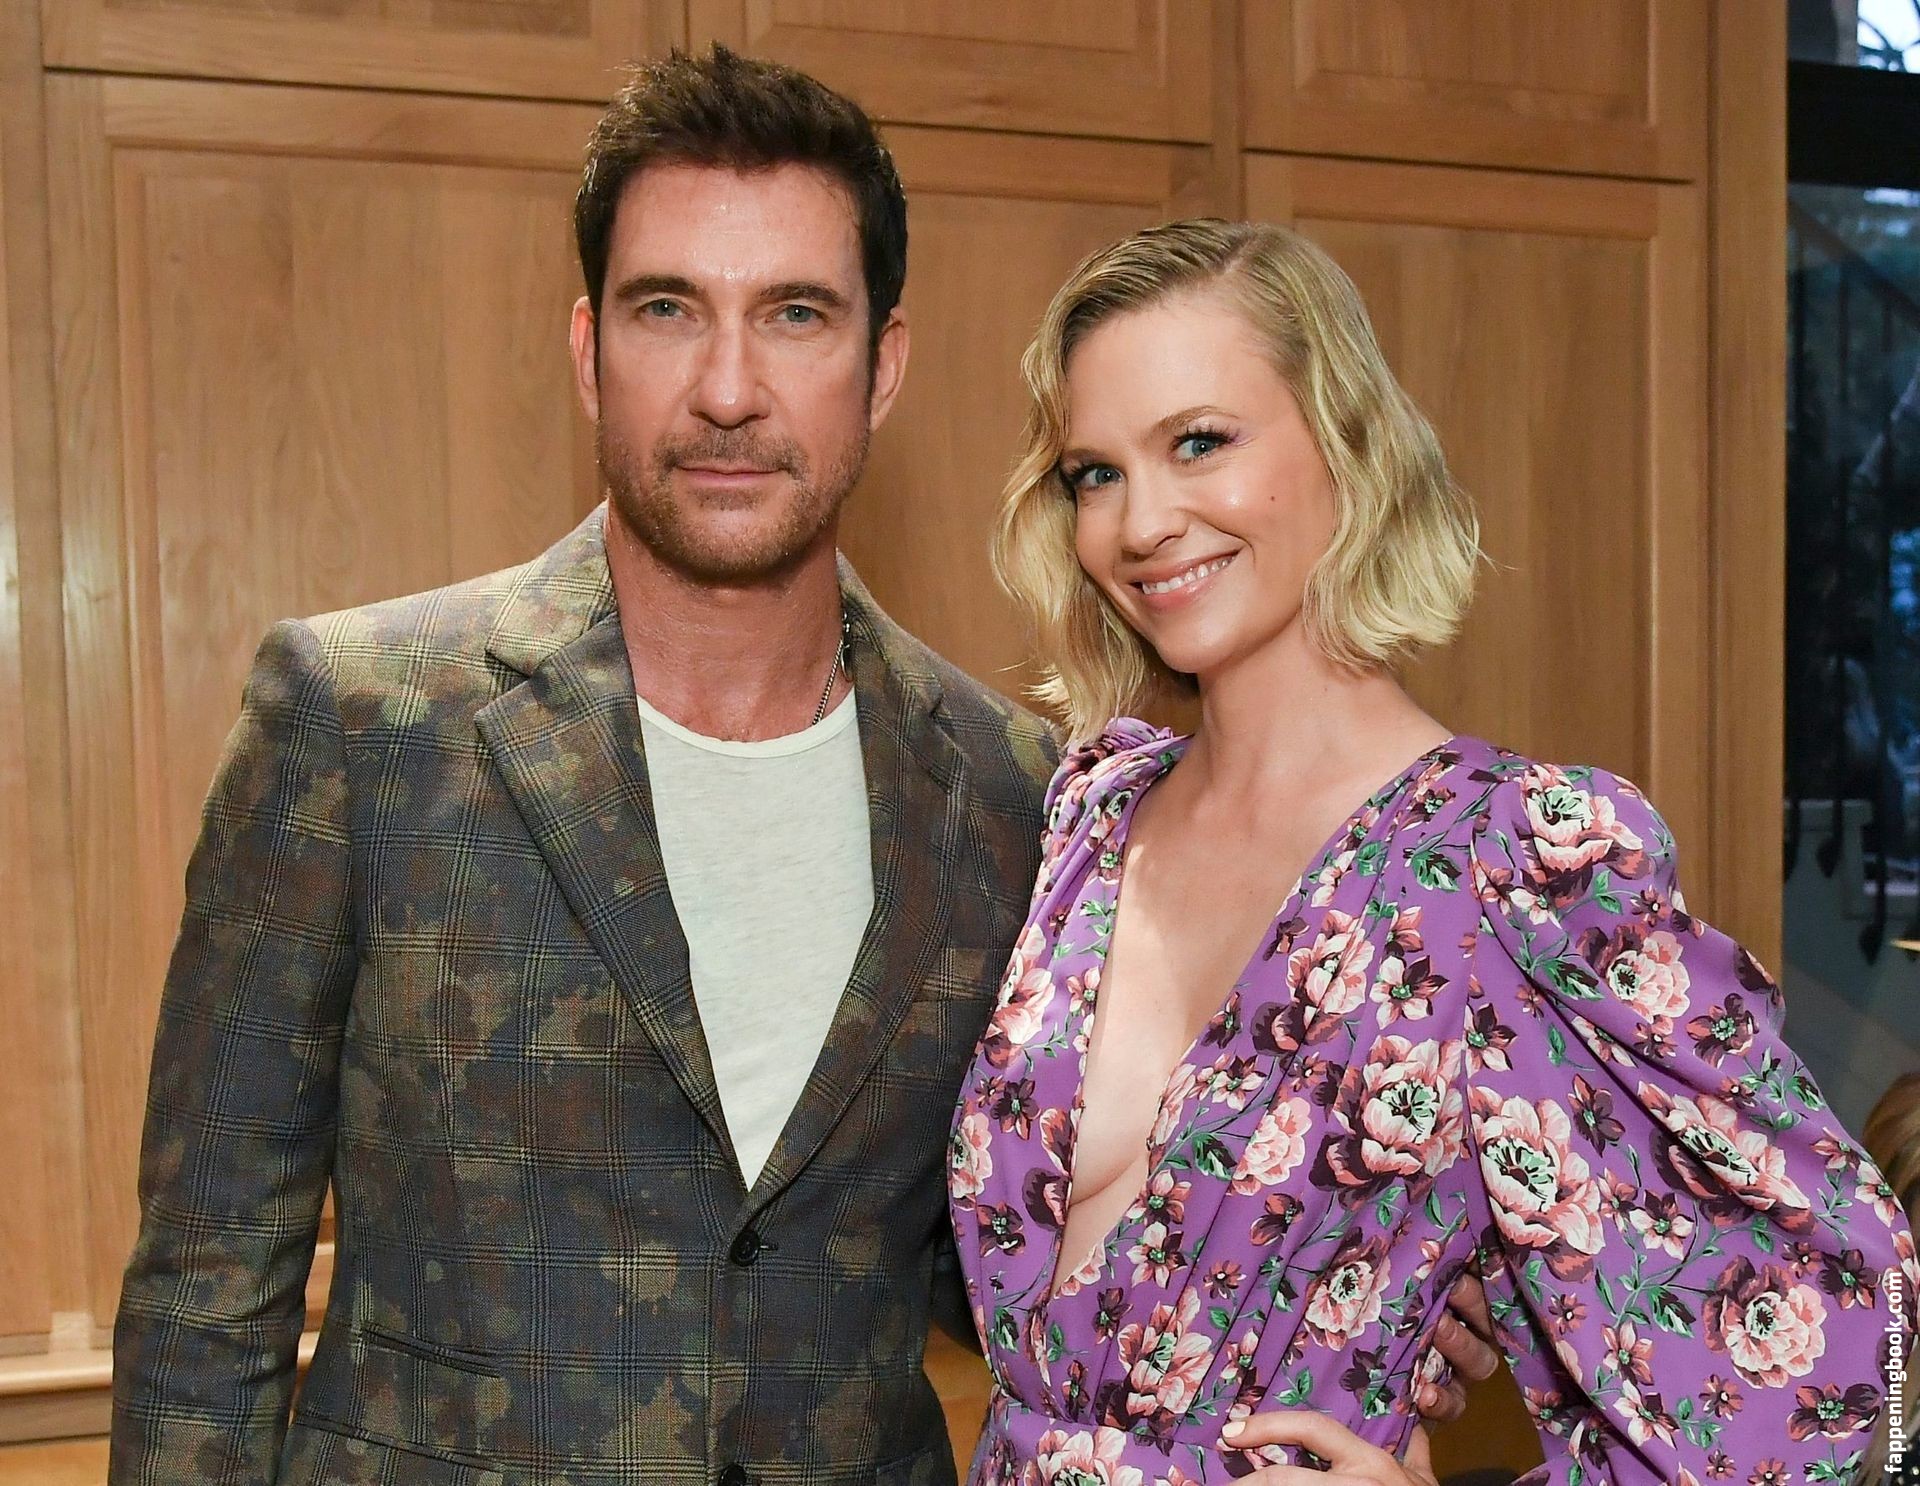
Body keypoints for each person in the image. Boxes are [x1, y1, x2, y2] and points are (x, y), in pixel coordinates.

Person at [108, 51, 1493, 1486]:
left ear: (881, 367)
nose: (728, 389)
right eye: (667, 309)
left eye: (794, 314)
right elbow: (207, 1294)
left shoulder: (1017, 793)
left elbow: (999, 1246)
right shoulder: (361, 725)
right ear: (588, 350)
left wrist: (1347, 1266)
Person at [951, 218, 1919, 1486]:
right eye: (1095, 472)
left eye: (1200, 442)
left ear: (1346, 445)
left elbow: (1842, 1347)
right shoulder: (1090, 812)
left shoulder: (1510, 863)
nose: (1142, 522)